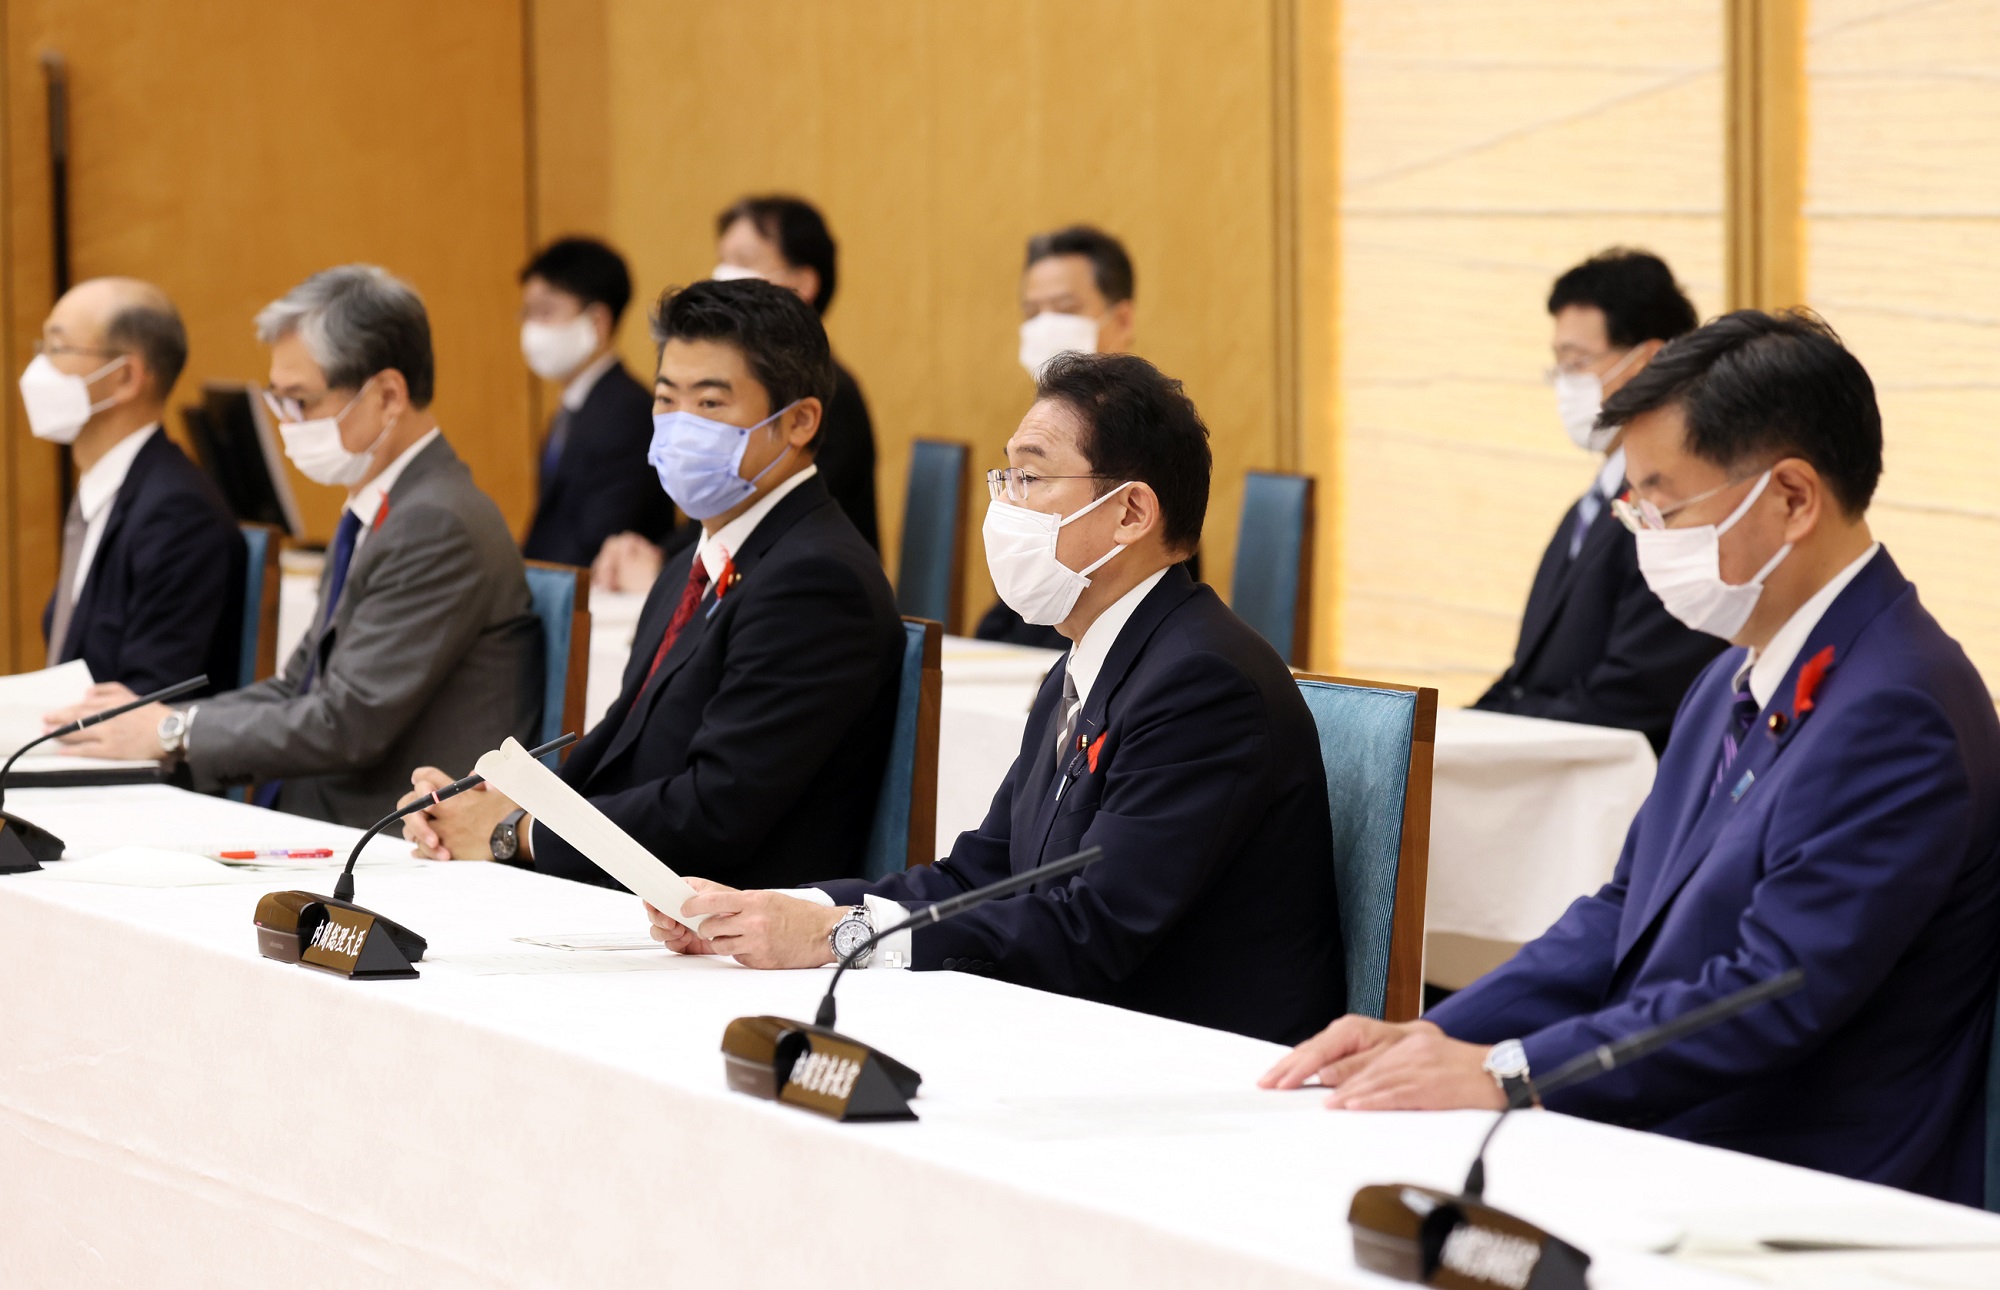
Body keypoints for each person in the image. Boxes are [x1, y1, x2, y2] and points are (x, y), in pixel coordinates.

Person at [1264, 311, 2000, 1206]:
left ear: (1793, 498)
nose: (1645, 533)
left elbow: (1767, 992)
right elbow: (1624, 913)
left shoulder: (1897, 709)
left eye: (1664, 504)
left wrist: (1510, 1072)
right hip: (1682, 1127)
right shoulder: (1733, 672)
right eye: (1635, 506)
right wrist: (1436, 1035)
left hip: (1805, 1178)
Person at [645, 353, 1346, 1046]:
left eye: (1031, 478)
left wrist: (838, 935)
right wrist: (776, 911)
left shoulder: (1204, 682)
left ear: (1131, 512)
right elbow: (981, 873)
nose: (1005, 503)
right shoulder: (1085, 663)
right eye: (1005, 477)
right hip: (1085, 1032)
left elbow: (1092, 926)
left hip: (1196, 1063)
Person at [400, 279, 903, 891]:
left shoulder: (818, 580)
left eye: (710, 403)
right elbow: (624, 749)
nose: (680, 425)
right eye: (667, 399)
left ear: (798, 421)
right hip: (639, 894)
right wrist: (493, 801)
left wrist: (515, 833)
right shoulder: (691, 563)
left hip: (722, 920)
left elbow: (717, 809)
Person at [51, 265, 543, 829]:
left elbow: (347, 723)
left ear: (387, 395)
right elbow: (298, 687)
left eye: (301, 402)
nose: (288, 425)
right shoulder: (384, 506)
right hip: (331, 815)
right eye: (278, 401)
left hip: (393, 833)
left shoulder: (435, 522)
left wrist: (173, 732)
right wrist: (159, 720)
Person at [1475, 249, 1724, 753]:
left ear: (1648, 360)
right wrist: (1440, 736)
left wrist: (1494, 741)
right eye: (1559, 365)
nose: (1565, 384)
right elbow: (1528, 676)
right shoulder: (1586, 509)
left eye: (1578, 363)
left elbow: (1635, 693)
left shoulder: (1679, 510)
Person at [594, 196, 879, 592]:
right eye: (667, 399)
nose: (724, 275)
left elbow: (771, 518)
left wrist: (659, 566)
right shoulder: (698, 557)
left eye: (710, 403)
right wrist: (654, 558)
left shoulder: (834, 393)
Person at [979, 225, 1200, 649]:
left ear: (1122, 319)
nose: (1045, 327)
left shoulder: (1153, 438)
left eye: (1064, 309)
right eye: (1033, 313)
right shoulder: (1037, 430)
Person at [20, 277, 243, 695]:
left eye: (58, 348)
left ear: (124, 377)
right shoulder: (103, 490)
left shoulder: (178, 514)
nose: (38, 369)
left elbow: (148, 698)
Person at [518, 237, 675, 568]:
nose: (531, 328)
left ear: (598, 321)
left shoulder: (626, 413)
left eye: (545, 312)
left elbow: (598, 538)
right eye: (527, 313)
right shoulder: (575, 408)